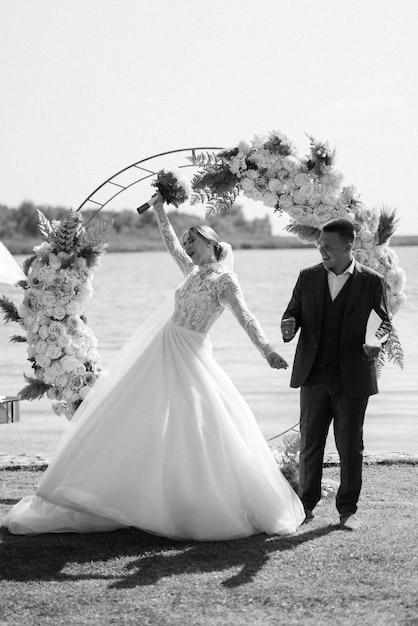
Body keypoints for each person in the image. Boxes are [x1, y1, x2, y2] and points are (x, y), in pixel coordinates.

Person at [2, 194, 304, 540]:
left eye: (194, 242)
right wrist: (160, 211)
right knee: (138, 416)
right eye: (188, 243)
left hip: (190, 354)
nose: (188, 248)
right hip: (162, 350)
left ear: (210, 242)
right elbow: (171, 244)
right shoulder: (191, 272)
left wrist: (267, 351)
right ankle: (132, 492)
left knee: (197, 423)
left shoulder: (225, 281)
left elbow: (245, 316)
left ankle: (191, 499)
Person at [281, 218, 392, 530]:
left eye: (328, 245)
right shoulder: (307, 277)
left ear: (349, 246)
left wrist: (376, 342)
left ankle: (347, 511)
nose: (322, 249)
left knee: (349, 446)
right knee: (311, 445)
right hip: (313, 375)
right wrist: (288, 326)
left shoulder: (372, 281)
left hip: (353, 376)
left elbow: (383, 323)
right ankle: (305, 507)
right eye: (320, 244)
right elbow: (292, 313)